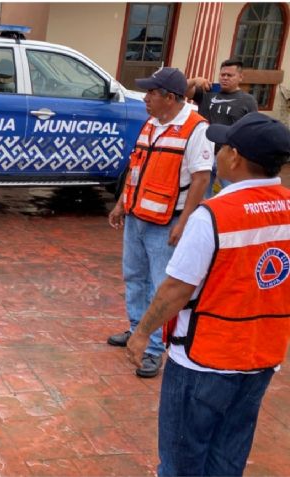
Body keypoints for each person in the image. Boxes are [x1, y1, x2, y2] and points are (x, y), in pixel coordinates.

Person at [126, 112, 290, 476]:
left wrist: (141, 333)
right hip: (262, 356)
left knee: (182, 461)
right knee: (228, 457)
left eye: (222, 146)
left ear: (235, 157)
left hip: (204, 359)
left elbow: (176, 290)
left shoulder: (213, 215)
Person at [107, 67, 214, 378]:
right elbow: (135, 167)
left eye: (152, 93)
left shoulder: (197, 129)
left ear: (170, 97)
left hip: (167, 223)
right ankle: (135, 327)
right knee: (134, 276)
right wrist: (121, 204)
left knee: (158, 285)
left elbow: (201, 178)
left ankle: (154, 347)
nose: (146, 98)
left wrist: (185, 223)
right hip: (137, 216)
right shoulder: (151, 124)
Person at [186, 59, 259, 196]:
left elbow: (252, 129)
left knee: (231, 195)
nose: (225, 78)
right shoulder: (208, 92)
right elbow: (182, 89)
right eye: (222, 74)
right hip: (203, 154)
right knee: (201, 197)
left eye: (230, 75)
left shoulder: (248, 100)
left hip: (229, 156)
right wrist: (195, 80)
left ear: (240, 77)